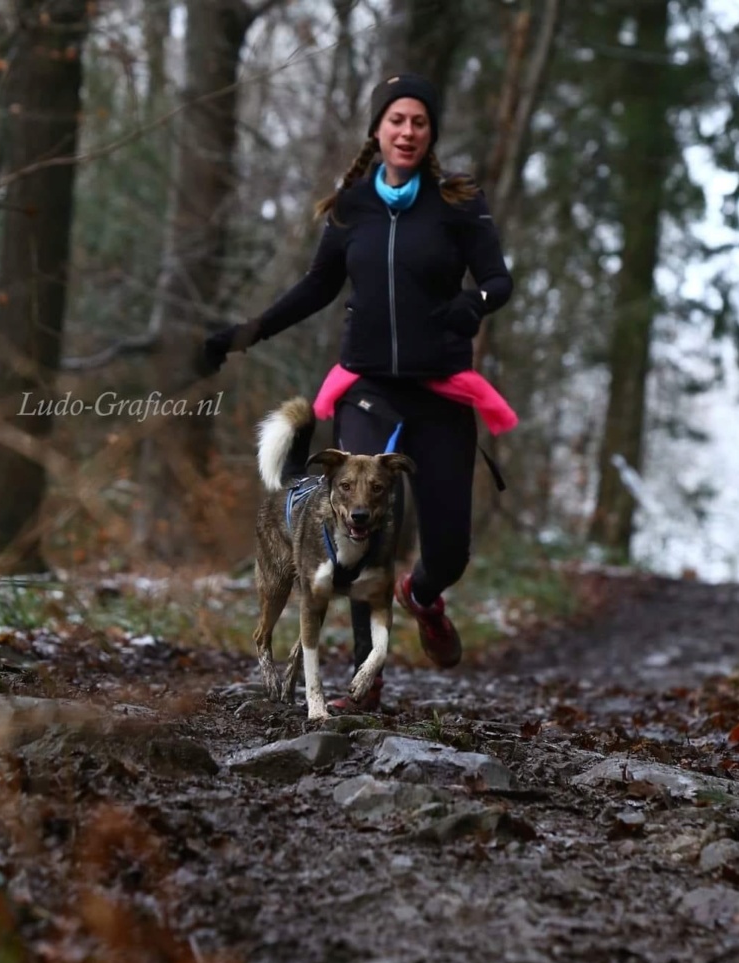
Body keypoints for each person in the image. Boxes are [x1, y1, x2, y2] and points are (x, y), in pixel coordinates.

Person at [204, 72, 517, 711]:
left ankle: (422, 597)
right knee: (355, 523)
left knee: (449, 549)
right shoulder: (352, 208)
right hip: (368, 388)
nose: (406, 131)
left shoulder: (458, 203)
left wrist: (470, 307)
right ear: (377, 129)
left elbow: (497, 280)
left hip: (442, 393)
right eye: (396, 120)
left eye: (418, 122)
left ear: (430, 134)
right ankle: (363, 685)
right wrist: (244, 334)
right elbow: (316, 288)